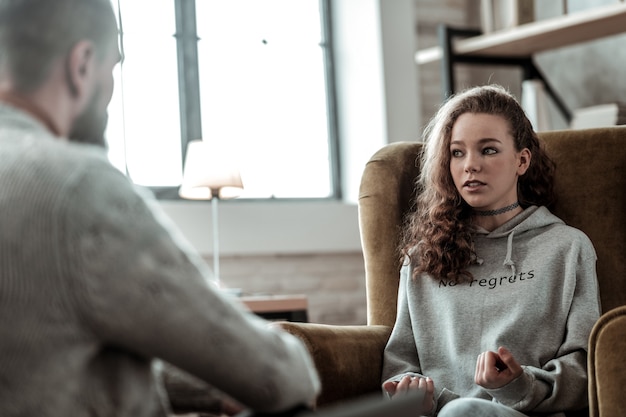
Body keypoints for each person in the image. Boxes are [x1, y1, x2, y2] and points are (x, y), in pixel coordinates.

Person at [0, 0, 320, 416]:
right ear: (81, 65)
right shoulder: (77, 188)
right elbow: (279, 375)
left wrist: (200, 391)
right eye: (112, 69)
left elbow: (51, 353)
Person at [381, 85, 601, 417]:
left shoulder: (568, 247)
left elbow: (589, 368)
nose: (470, 165)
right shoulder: (421, 258)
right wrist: (411, 395)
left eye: (488, 150)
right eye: (457, 152)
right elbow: (399, 364)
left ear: (522, 160)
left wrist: (520, 384)